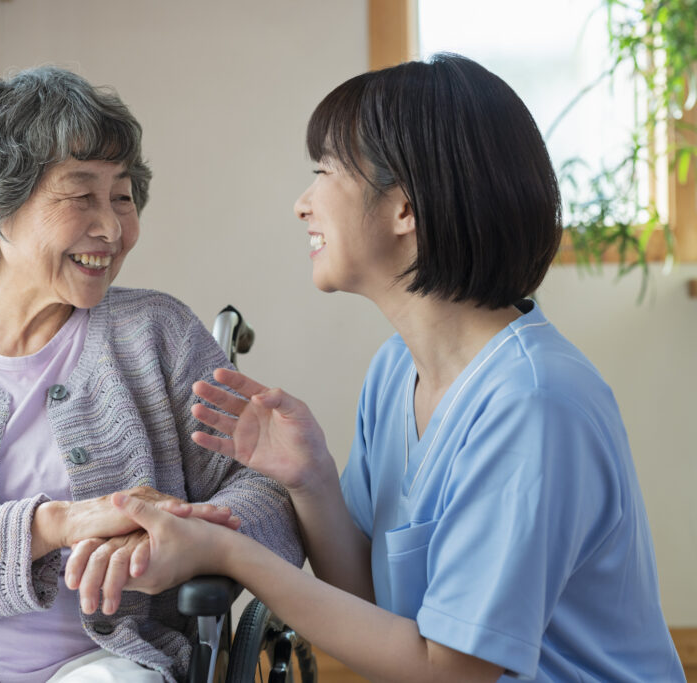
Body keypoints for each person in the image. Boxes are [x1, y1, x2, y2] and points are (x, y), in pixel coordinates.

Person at [88, 54, 685, 682]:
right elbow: (372, 605)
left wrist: (229, 554)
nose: (302, 204)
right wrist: (311, 477)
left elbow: (450, 674)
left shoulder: (534, 406)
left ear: (405, 208)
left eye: (323, 173)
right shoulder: (398, 369)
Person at [0, 66, 302, 683]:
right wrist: (62, 522)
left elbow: (265, 496)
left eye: (122, 196)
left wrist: (179, 542)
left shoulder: (160, 333)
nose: (112, 228)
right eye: (81, 196)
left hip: (112, 654)